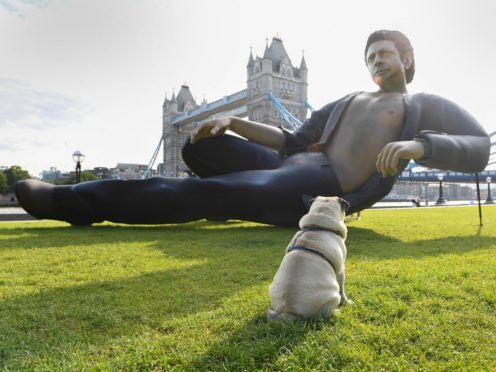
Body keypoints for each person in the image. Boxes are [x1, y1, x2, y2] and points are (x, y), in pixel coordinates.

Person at [15, 30, 490, 227]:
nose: (375, 60)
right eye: (369, 56)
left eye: (384, 53)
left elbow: (479, 146)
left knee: (208, 191)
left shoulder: (423, 104)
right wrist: (234, 121)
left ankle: (74, 203)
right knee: (203, 150)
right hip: (296, 164)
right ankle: (245, 197)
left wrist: (419, 145)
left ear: (406, 59)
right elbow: (291, 140)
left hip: (322, 187)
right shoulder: (345, 102)